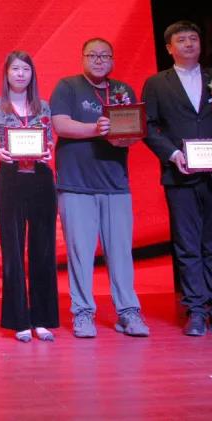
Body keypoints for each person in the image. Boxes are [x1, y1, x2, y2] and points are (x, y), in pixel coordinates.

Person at [142, 21, 212, 337]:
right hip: (181, 175)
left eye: (193, 38)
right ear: (169, 48)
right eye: (181, 40)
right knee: (188, 245)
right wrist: (174, 154)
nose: (189, 43)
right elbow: (148, 126)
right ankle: (196, 311)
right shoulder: (156, 83)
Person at [51, 38, 149, 339]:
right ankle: (82, 313)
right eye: (92, 55)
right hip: (76, 183)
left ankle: (128, 312)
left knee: (121, 253)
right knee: (80, 254)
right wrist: (96, 129)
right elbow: (60, 125)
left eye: (105, 55)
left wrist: (126, 137)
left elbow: (133, 131)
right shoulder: (68, 87)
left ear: (112, 60)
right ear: (83, 58)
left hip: (115, 183)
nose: (98, 60)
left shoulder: (123, 90)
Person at [0, 51, 58, 342]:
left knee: (43, 249)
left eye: (26, 69)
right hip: (10, 179)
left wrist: (47, 151)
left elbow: (49, 140)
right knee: (12, 249)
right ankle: (19, 319)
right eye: (15, 69)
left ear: (32, 74)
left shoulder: (43, 106)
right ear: (7, 74)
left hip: (40, 179)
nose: (21, 74)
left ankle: (42, 319)